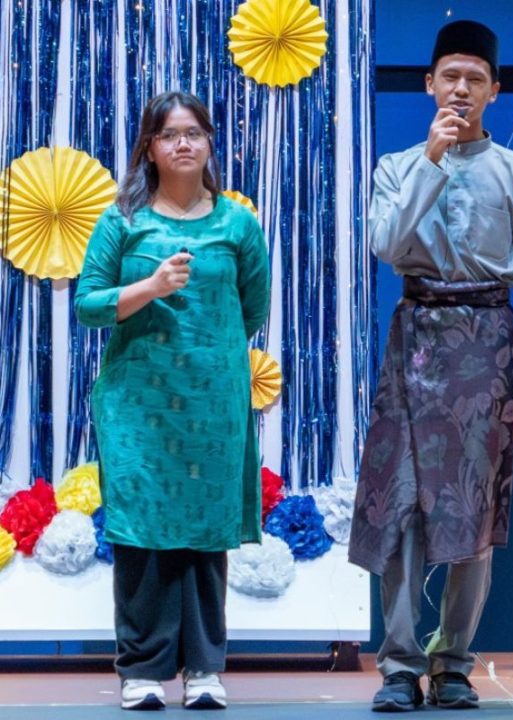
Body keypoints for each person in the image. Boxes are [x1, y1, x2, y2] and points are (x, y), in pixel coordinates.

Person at [348, 19, 513, 713]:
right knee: (403, 506)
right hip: (414, 341)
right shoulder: (397, 166)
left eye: (476, 79)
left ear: (496, 92)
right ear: (429, 85)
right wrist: (432, 162)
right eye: (451, 77)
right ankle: (398, 662)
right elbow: (385, 244)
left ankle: (452, 661)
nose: (462, 89)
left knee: (473, 512)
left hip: (485, 346)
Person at [75, 91, 270, 711]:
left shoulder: (237, 223)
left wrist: (211, 356)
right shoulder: (124, 221)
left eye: (194, 132)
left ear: (210, 143)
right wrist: (150, 286)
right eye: (168, 134)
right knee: (142, 533)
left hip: (214, 400)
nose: (183, 143)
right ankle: (140, 671)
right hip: (137, 402)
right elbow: (88, 305)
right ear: (150, 149)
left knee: (205, 535)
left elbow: (253, 308)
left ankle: (206, 670)